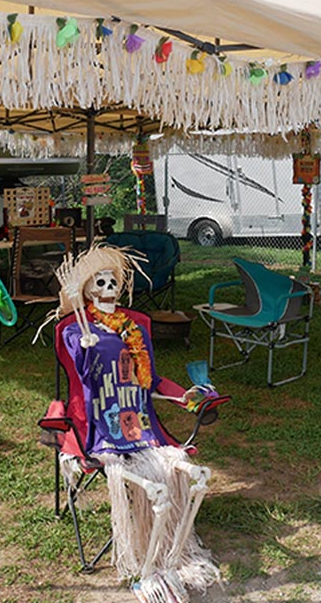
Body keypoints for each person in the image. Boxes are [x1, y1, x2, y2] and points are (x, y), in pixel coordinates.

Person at [49, 244, 220, 602]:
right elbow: (79, 377)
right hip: (101, 432)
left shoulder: (135, 327)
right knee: (151, 481)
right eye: (101, 282)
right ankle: (143, 559)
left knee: (179, 468)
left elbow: (152, 380)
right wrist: (85, 345)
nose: (109, 286)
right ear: (89, 291)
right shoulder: (73, 329)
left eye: (112, 280)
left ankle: (175, 555)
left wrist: (184, 395)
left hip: (143, 427)